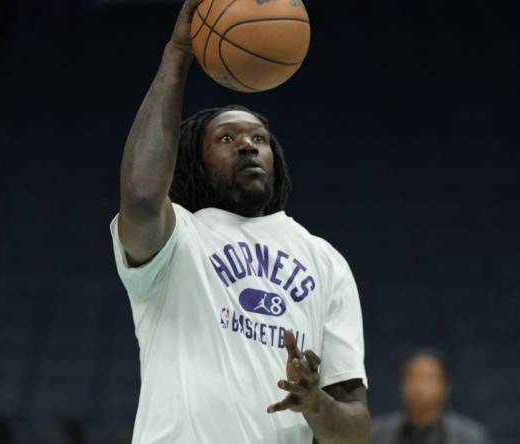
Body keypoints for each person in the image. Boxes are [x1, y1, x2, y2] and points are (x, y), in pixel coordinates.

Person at [109, 1, 370, 443]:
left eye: (259, 138)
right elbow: (139, 197)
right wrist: (176, 55)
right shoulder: (178, 239)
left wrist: (315, 402)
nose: (248, 146)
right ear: (196, 159)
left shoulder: (325, 261)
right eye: (227, 138)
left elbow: (355, 433)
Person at [371, 349, 493, 444]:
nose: (418, 387)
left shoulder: (471, 438)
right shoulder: (375, 435)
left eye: (428, 378)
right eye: (412, 377)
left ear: (446, 387)